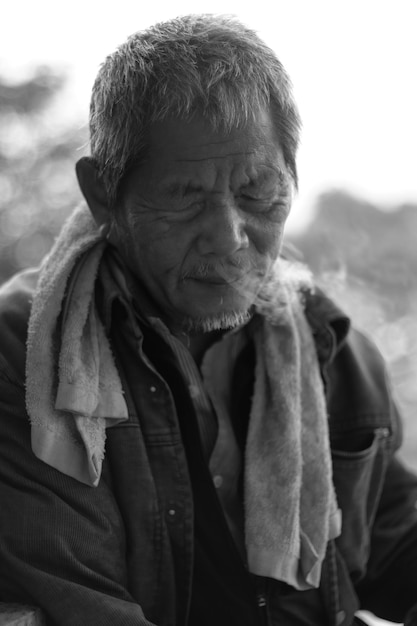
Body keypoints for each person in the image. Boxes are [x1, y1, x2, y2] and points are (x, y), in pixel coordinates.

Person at [0, 14, 416, 626]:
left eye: (257, 193)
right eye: (184, 197)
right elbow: (82, 607)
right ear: (103, 196)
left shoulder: (329, 346)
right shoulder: (28, 349)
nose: (228, 238)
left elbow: (396, 537)